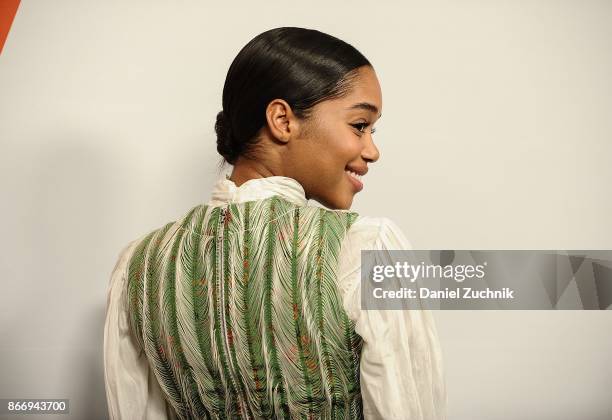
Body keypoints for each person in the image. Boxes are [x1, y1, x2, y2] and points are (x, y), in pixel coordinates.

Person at [104, 26, 446, 419]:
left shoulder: (139, 266)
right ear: (282, 120)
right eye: (359, 125)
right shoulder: (367, 248)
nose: (372, 150)